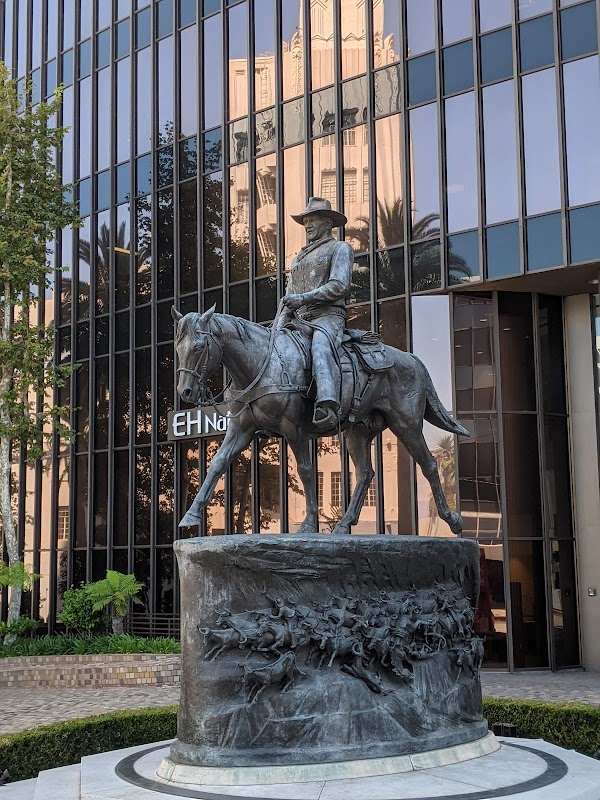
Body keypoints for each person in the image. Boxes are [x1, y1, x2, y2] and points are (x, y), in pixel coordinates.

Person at [279, 197, 354, 428]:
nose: (308, 225)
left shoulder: (340, 248)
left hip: (328, 318)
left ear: (328, 223)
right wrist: (277, 326)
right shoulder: (297, 259)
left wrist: (303, 298)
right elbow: (287, 297)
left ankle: (327, 405)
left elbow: (339, 285)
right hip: (299, 321)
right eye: (306, 221)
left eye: (313, 220)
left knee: (320, 348)